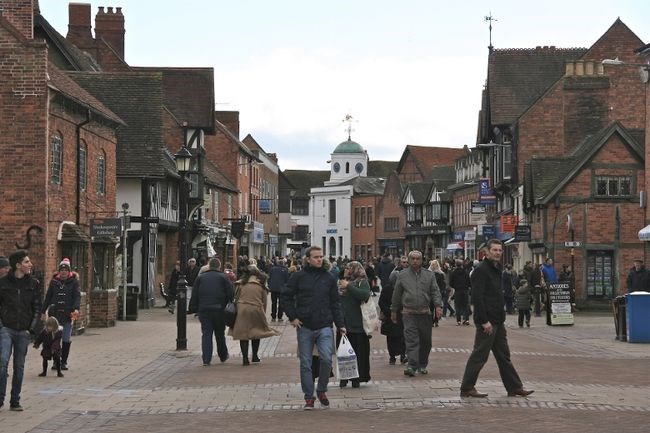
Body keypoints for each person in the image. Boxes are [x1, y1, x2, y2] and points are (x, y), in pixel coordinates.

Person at [460, 239, 534, 398]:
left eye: (500, 250)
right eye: (494, 250)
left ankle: (514, 387)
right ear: (486, 252)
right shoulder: (481, 270)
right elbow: (477, 298)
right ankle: (467, 388)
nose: (498, 253)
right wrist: (483, 321)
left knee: (503, 356)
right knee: (479, 356)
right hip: (487, 321)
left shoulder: (496, 269)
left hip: (498, 320)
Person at [281, 246, 346, 410]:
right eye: (316, 257)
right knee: (306, 363)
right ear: (308, 259)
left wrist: (341, 324)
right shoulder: (298, 277)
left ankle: (322, 389)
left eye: (321, 256)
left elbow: (335, 303)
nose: (319, 259)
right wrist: (293, 317)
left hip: (324, 324)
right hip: (305, 326)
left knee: (326, 359)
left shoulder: (329, 277)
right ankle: (309, 397)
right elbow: (286, 296)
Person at [0, 249, 42, 411]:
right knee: (2, 363)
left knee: (19, 366)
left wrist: (31, 330)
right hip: (6, 329)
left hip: (23, 331)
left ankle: (15, 400)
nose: (30, 264)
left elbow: (37, 308)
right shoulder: (3, 283)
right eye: (26, 262)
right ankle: (0, 398)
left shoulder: (33, 284)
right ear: (18, 265)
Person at [391, 250, 442, 377]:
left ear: (421, 260)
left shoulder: (429, 275)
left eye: (417, 259)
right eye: (412, 258)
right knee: (411, 340)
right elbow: (396, 294)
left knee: (426, 341)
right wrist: (393, 310)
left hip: (425, 312)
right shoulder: (402, 275)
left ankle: (422, 364)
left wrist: (438, 306)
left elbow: (435, 291)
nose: (415, 261)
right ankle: (412, 366)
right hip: (409, 313)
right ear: (408, 260)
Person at [229, 265, 279, 365]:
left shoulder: (240, 284)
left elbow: (236, 297)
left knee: (243, 334)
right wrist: (263, 314)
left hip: (242, 309)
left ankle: (245, 358)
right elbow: (264, 301)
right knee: (256, 332)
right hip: (256, 309)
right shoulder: (261, 285)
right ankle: (255, 356)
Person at [188, 258, 234, 366]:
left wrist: (193, 307)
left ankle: (206, 359)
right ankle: (223, 355)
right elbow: (231, 293)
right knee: (219, 333)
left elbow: (195, 294)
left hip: (204, 310)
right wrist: (228, 303)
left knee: (206, 333)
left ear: (209, 266)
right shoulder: (223, 277)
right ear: (219, 266)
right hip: (219, 310)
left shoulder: (200, 278)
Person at [41, 258, 81, 371]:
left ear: (69, 271)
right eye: (61, 269)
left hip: (68, 314)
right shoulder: (54, 282)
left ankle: (64, 361)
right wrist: (43, 311)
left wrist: (76, 309)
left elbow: (77, 297)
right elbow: (48, 297)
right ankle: (56, 361)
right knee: (55, 339)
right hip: (55, 315)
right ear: (59, 271)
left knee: (66, 339)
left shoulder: (74, 282)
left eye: (65, 270)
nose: (63, 272)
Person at [337, 261, 372, 388]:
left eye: (349, 268)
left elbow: (364, 295)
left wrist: (349, 286)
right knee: (343, 353)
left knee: (358, 353)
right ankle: (344, 378)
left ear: (355, 270)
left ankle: (356, 378)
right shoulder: (341, 283)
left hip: (358, 325)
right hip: (343, 324)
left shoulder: (362, 282)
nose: (346, 270)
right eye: (345, 267)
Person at [429, 259, 453, 325]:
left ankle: (436, 320)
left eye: (434, 265)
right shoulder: (428, 273)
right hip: (430, 293)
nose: (432, 266)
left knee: (437, 307)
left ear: (437, 265)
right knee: (431, 308)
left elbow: (443, 284)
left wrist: (442, 291)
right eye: (432, 264)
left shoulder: (440, 274)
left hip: (438, 292)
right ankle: (431, 321)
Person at [449, 259, 471, 325]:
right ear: (461, 265)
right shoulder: (466, 272)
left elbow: (451, 283)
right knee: (466, 305)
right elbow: (469, 282)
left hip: (458, 290)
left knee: (457, 306)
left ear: (455, 264)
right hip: (465, 290)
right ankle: (466, 319)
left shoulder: (453, 273)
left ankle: (458, 321)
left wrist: (455, 286)